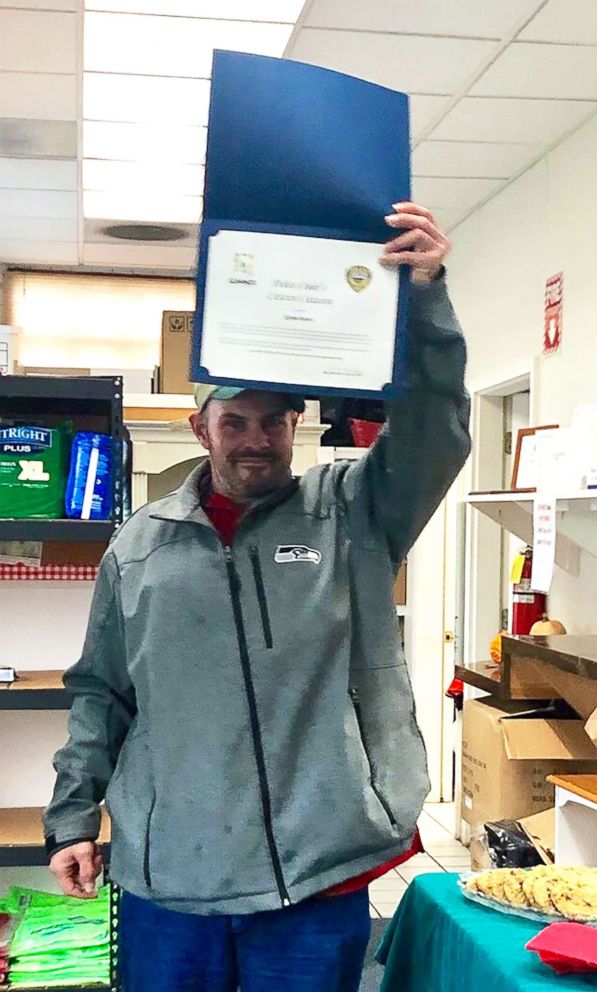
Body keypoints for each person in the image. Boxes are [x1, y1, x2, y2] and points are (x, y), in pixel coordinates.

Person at [44, 202, 471, 992]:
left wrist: (425, 299)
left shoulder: (355, 511)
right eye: (235, 420)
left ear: (297, 424)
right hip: (172, 870)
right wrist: (74, 817)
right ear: (201, 426)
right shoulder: (138, 545)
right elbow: (101, 690)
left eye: (274, 420)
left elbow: (435, 431)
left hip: (315, 869)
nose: (255, 439)